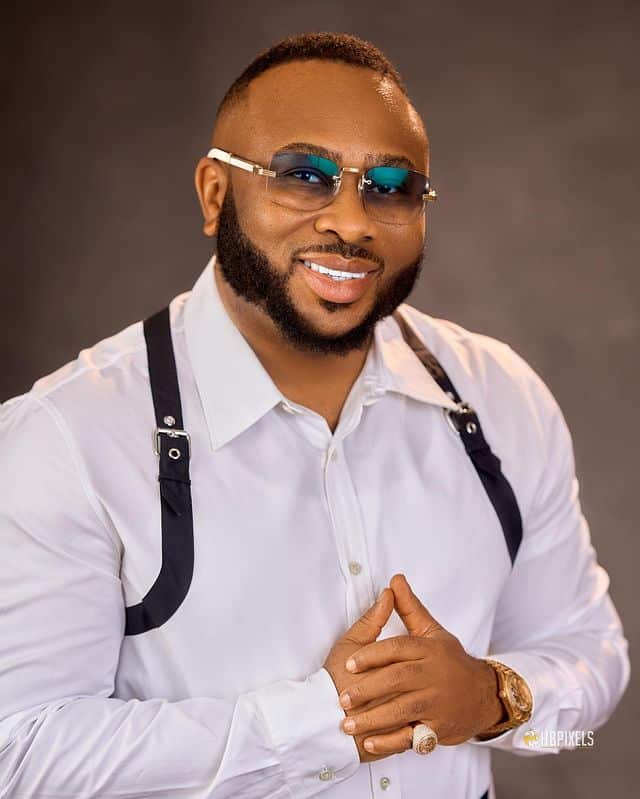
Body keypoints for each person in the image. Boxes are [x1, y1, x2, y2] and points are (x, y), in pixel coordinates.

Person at [0, 31, 629, 799]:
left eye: (392, 187)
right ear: (214, 193)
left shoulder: (500, 397)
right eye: (304, 175)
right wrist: (315, 721)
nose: (353, 222)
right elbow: (16, 756)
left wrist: (496, 701)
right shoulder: (69, 438)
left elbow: (589, 675)